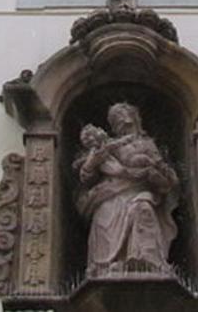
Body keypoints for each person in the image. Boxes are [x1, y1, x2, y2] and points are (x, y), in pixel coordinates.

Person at [73, 103, 179, 277]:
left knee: (142, 207)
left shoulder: (148, 145)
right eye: (117, 121)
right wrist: (93, 162)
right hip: (108, 196)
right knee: (105, 215)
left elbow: (167, 179)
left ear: (135, 120)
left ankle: (146, 263)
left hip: (139, 192)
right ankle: (105, 269)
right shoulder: (107, 146)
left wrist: (154, 173)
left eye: (126, 120)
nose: (123, 125)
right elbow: (86, 177)